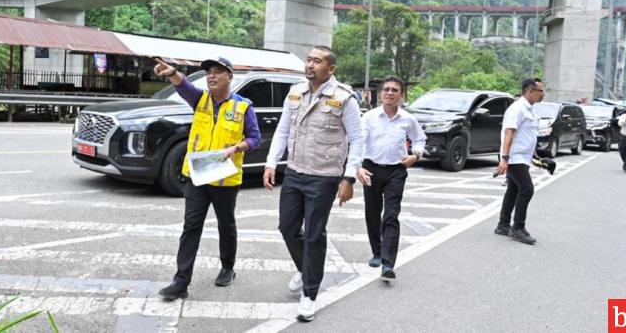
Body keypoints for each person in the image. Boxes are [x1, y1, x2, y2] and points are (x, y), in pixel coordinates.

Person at [263, 46, 363, 322]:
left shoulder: (345, 98)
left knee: (314, 234)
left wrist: (349, 177)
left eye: (317, 61)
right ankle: (305, 267)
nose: (310, 65)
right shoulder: (295, 92)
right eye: (308, 60)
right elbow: (283, 130)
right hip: (295, 172)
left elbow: (357, 139)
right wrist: (272, 163)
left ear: (330, 69)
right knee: (287, 227)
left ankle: (309, 294)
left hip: (325, 176)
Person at [154, 57, 261, 301]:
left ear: (230, 77)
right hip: (198, 177)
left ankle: (227, 267)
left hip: (225, 180)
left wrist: (237, 147)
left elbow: (255, 138)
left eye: (218, 72)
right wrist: (173, 73)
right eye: (209, 72)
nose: (211, 76)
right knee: (191, 226)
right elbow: (184, 86)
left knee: (226, 224)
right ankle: (180, 282)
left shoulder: (243, 107)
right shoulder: (200, 99)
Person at [356, 76, 426, 281]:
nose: (390, 93)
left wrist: (416, 155)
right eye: (386, 89)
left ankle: (388, 262)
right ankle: (377, 253)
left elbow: (420, 138)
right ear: (380, 94)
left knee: (391, 214)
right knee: (372, 212)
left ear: (401, 95)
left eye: (395, 90)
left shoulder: (408, 119)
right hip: (370, 169)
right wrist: (358, 167)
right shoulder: (368, 117)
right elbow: (359, 142)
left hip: (396, 170)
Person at [493, 78, 545, 245]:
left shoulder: (530, 109)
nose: (543, 94)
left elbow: (528, 135)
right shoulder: (518, 108)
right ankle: (518, 228)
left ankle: (503, 225)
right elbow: (509, 133)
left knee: (513, 190)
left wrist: (536, 156)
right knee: (527, 190)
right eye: (540, 91)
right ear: (530, 91)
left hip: (523, 157)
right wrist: (505, 159)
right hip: (514, 158)